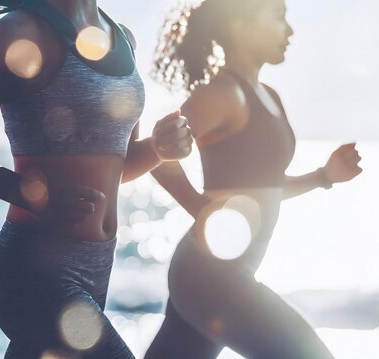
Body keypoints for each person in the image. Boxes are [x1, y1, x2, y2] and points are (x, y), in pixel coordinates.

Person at [0, 0, 193, 357]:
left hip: (97, 269)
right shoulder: (19, 32)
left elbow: (117, 169)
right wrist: (36, 195)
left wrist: (158, 148)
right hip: (33, 274)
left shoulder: (122, 38)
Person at [145, 0, 363, 358]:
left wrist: (323, 176)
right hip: (211, 276)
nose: (289, 32)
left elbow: (264, 187)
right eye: (278, 19)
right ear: (240, 27)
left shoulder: (269, 96)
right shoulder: (222, 93)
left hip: (220, 273)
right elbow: (156, 156)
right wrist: (201, 209)